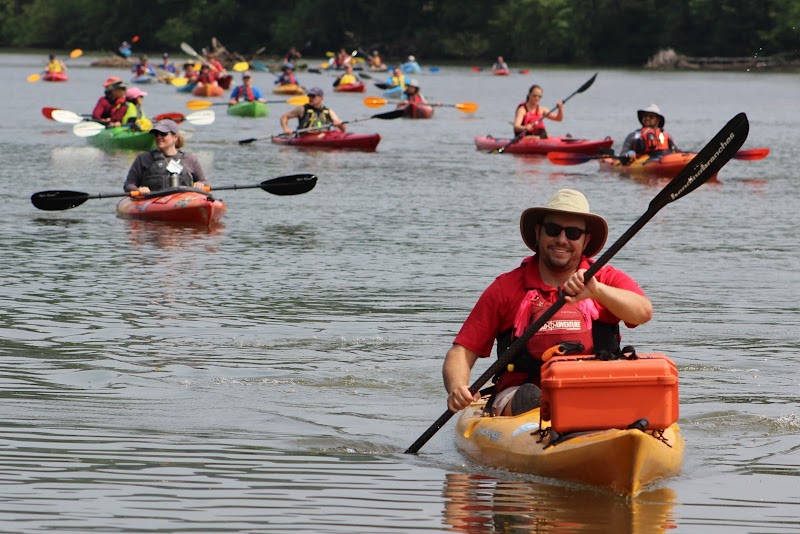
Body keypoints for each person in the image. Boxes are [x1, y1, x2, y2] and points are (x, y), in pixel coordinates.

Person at [443, 189, 652, 417]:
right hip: (523, 398)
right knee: (530, 398)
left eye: (573, 233)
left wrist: (598, 291)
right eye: (553, 230)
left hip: (594, 391)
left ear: (585, 240)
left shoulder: (605, 279)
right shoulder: (506, 287)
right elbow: (461, 352)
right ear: (538, 232)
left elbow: (642, 312)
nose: (562, 240)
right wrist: (457, 387)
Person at [123, 119, 208, 194]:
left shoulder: (190, 159)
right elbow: (128, 185)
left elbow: (204, 182)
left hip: (184, 201)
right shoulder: (143, 158)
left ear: (175, 137)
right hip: (152, 202)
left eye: (163, 134)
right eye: (156, 134)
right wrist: (138, 190)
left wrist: (200, 184)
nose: (159, 137)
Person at [280, 86, 345, 135]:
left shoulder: (329, 111)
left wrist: (340, 124)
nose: (310, 98)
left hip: (324, 136)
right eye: (309, 96)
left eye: (313, 96)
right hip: (305, 138)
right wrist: (286, 129)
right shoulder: (302, 109)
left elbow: (343, 129)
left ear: (321, 98)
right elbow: (284, 117)